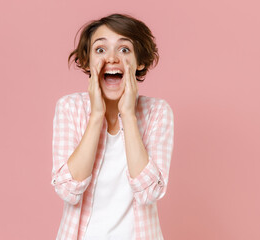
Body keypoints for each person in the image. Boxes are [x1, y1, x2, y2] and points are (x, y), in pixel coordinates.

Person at [51, 13, 174, 240]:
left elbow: (149, 193)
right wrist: (96, 115)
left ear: (141, 61)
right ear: (87, 61)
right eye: (100, 49)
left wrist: (128, 114)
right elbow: (68, 190)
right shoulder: (69, 108)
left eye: (124, 49)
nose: (112, 58)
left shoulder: (158, 113)